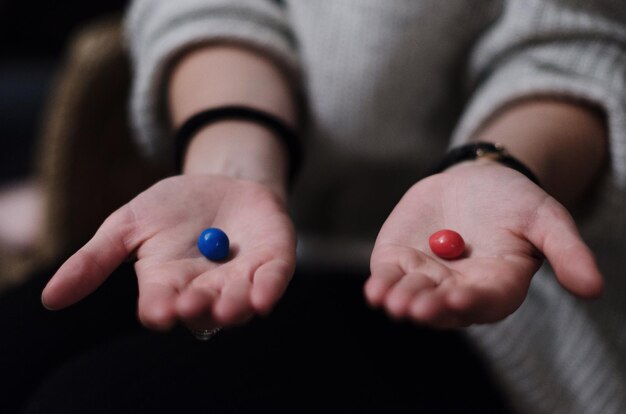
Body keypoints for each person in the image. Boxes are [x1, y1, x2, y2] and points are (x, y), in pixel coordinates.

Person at [29, 0, 626, 413]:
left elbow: (573, 43)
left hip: (510, 318)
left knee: (94, 402)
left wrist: (492, 167)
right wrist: (231, 166)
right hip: (275, 232)